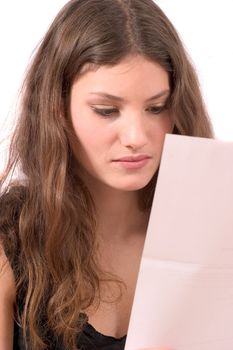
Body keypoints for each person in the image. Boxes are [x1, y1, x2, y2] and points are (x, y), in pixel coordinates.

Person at [0, 0, 214, 349]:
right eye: (106, 111)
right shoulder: (10, 246)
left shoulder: (213, 232)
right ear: (57, 109)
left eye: (157, 107)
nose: (136, 137)